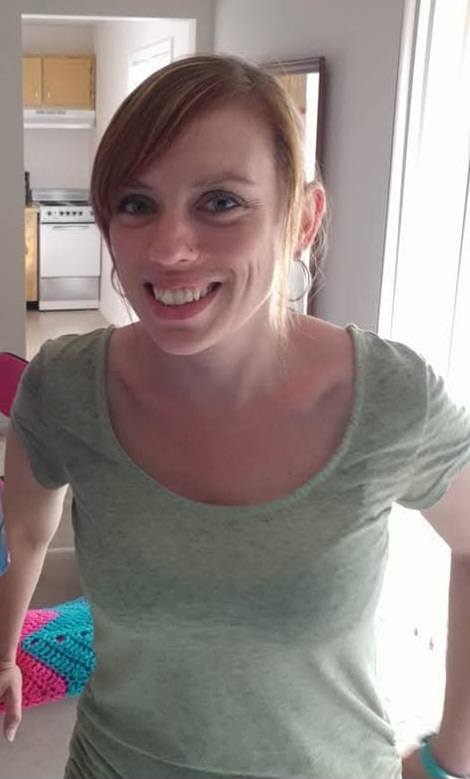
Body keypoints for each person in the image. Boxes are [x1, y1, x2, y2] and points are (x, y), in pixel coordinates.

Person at [1, 53, 470, 779]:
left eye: (220, 201)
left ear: (302, 219)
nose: (168, 249)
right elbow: (29, 526)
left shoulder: (389, 399)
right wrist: (6, 648)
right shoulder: (65, 388)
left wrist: (454, 755)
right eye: (136, 203)